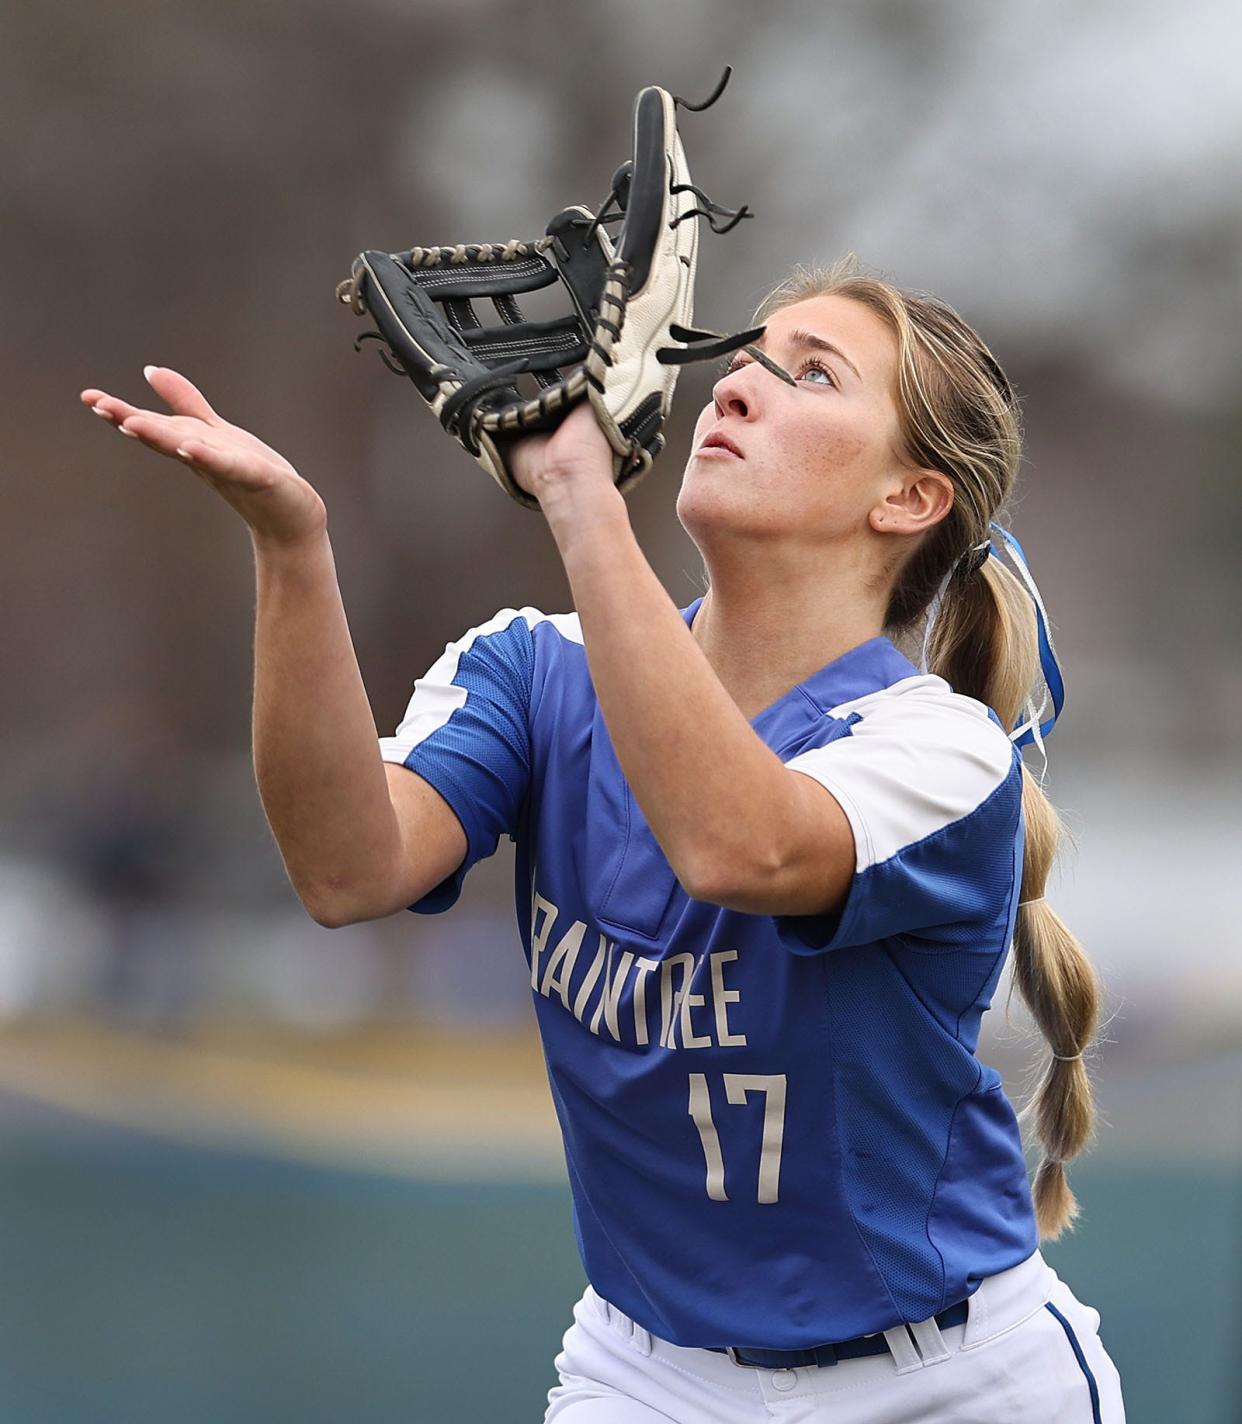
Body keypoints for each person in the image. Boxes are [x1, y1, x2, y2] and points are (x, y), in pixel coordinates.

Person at [81, 256, 1124, 1422]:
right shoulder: (536, 669)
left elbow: (739, 846)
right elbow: (344, 866)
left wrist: (583, 500)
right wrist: (292, 544)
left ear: (909, 499)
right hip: (652, 1374)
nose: (736, 389)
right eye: (741, 362)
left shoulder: (939, 749)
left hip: (948, 1381)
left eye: (810, 375)